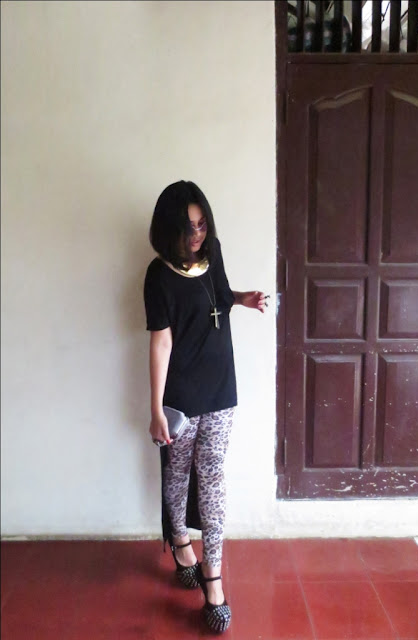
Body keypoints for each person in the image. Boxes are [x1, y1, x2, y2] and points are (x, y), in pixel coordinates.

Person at [143, 180, 267, 633]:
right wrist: (156, 408)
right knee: (178, 474)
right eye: (188, 226)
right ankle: (181, 544)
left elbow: (219, 297)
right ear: (168, 227)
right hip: (181, 396)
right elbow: (161, 342)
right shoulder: (158, 275)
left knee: (212, 476)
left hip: (220, 389)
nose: (197, 233)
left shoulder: (213, 253)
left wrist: (243, 299)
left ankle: (212, 579)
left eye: (201, 224)